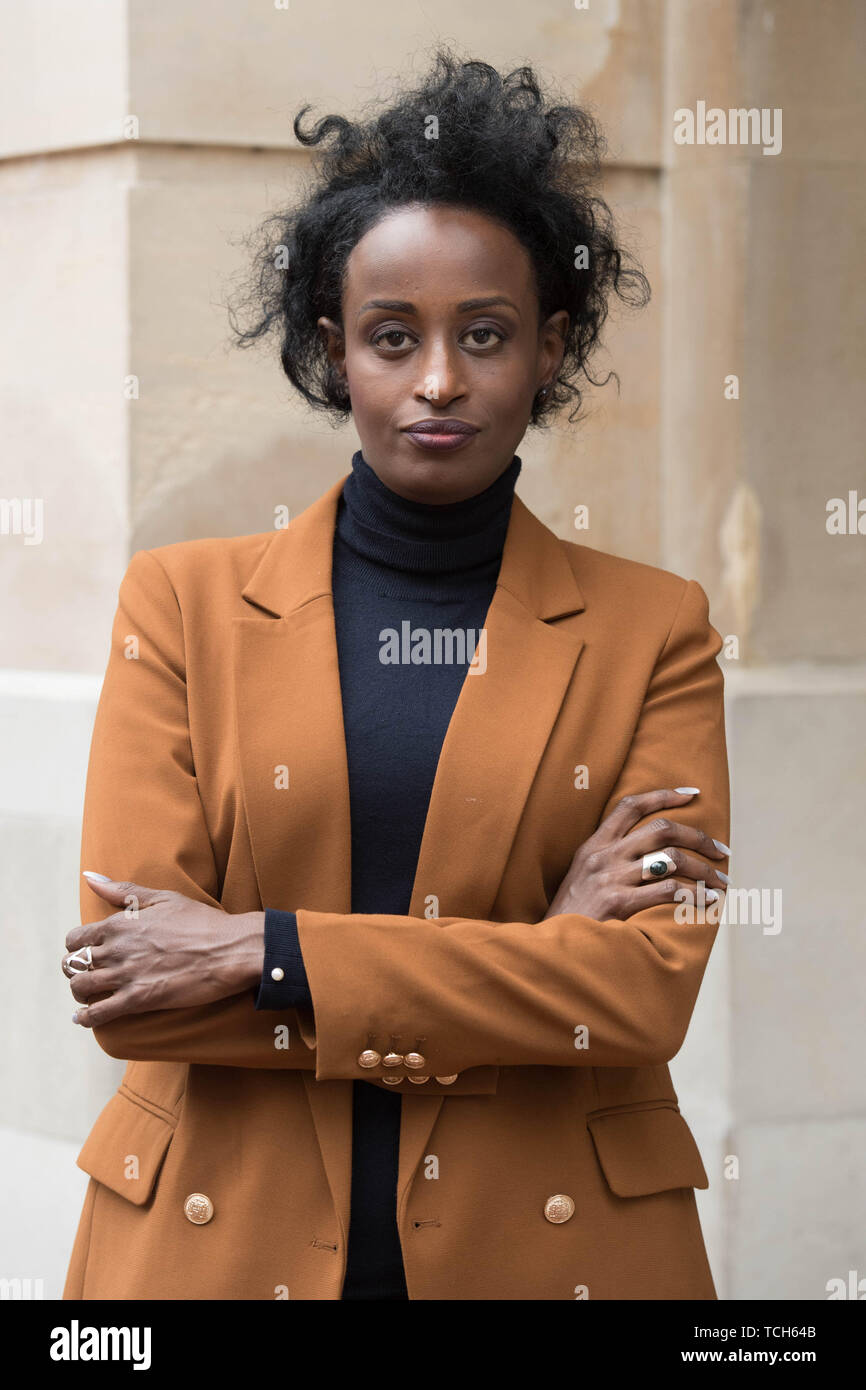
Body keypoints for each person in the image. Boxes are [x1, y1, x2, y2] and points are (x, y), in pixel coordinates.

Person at [62, 50, 730, 1301]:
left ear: (549, 345)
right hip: (220, 1243)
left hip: (549, 1244)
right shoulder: (182, 604)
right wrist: (533, 957)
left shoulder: (657, 630)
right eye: (390, 337)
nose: (437, 379)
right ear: (334, 351)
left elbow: (638, 998)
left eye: (484, 334)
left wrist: (261, 952)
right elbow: (138, 996)